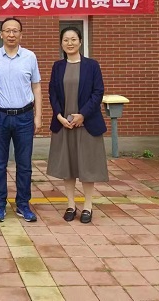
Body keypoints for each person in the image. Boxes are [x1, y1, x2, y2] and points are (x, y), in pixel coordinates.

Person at [47, 26, 108, 224]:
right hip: (64, 124)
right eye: (66, 40)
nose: (70, 43)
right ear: (61, 43)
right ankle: (71, 204)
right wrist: (58, 115)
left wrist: (83, 115)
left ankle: (88, 206)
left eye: (73, 39)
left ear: (80, 42)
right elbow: (52, 93)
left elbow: (98, 92)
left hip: (86, 124)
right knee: (69, 165)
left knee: (87, 166)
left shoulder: (92, 65)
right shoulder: (58, 66)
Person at [0, 17, 42, 223]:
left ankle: (23, 204)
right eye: (7, 31)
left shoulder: (30, 57)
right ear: (1, 34)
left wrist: (38, 115)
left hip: (24, 117)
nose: (11, 34)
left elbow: (36, 86)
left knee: (24, 164)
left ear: (21, 34)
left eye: (15, 31)